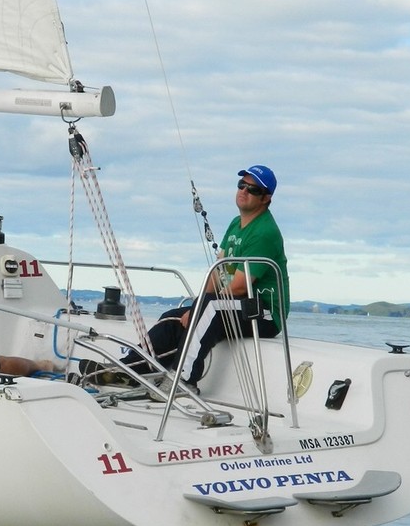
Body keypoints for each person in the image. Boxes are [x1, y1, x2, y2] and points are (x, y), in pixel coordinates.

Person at [81, 165, 289, 392]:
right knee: (172, 318)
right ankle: (132, 370)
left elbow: (238, 287)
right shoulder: (235, 224)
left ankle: (183, 381)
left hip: (266, 313)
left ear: (266, 198)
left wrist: (201, 308)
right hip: (237, 306)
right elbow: (218, 274)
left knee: (209, 308)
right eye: (242, 185)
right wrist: (196, 307)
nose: (244, 191)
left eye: (253, 189)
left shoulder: (264, 232)